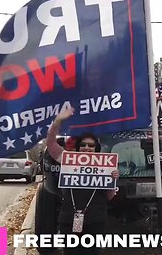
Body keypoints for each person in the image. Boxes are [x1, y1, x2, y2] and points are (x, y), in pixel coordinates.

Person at [46, 107, 119, 255]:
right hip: (69, 220)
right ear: (78, 148)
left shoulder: (106, 165)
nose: (87, 148)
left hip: (96, 221)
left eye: (91, 145)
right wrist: (58, 121)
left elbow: (110, 196)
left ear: (96, 149)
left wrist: (113, 180)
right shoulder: (68, 160)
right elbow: (51, 144)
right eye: (83, 145)